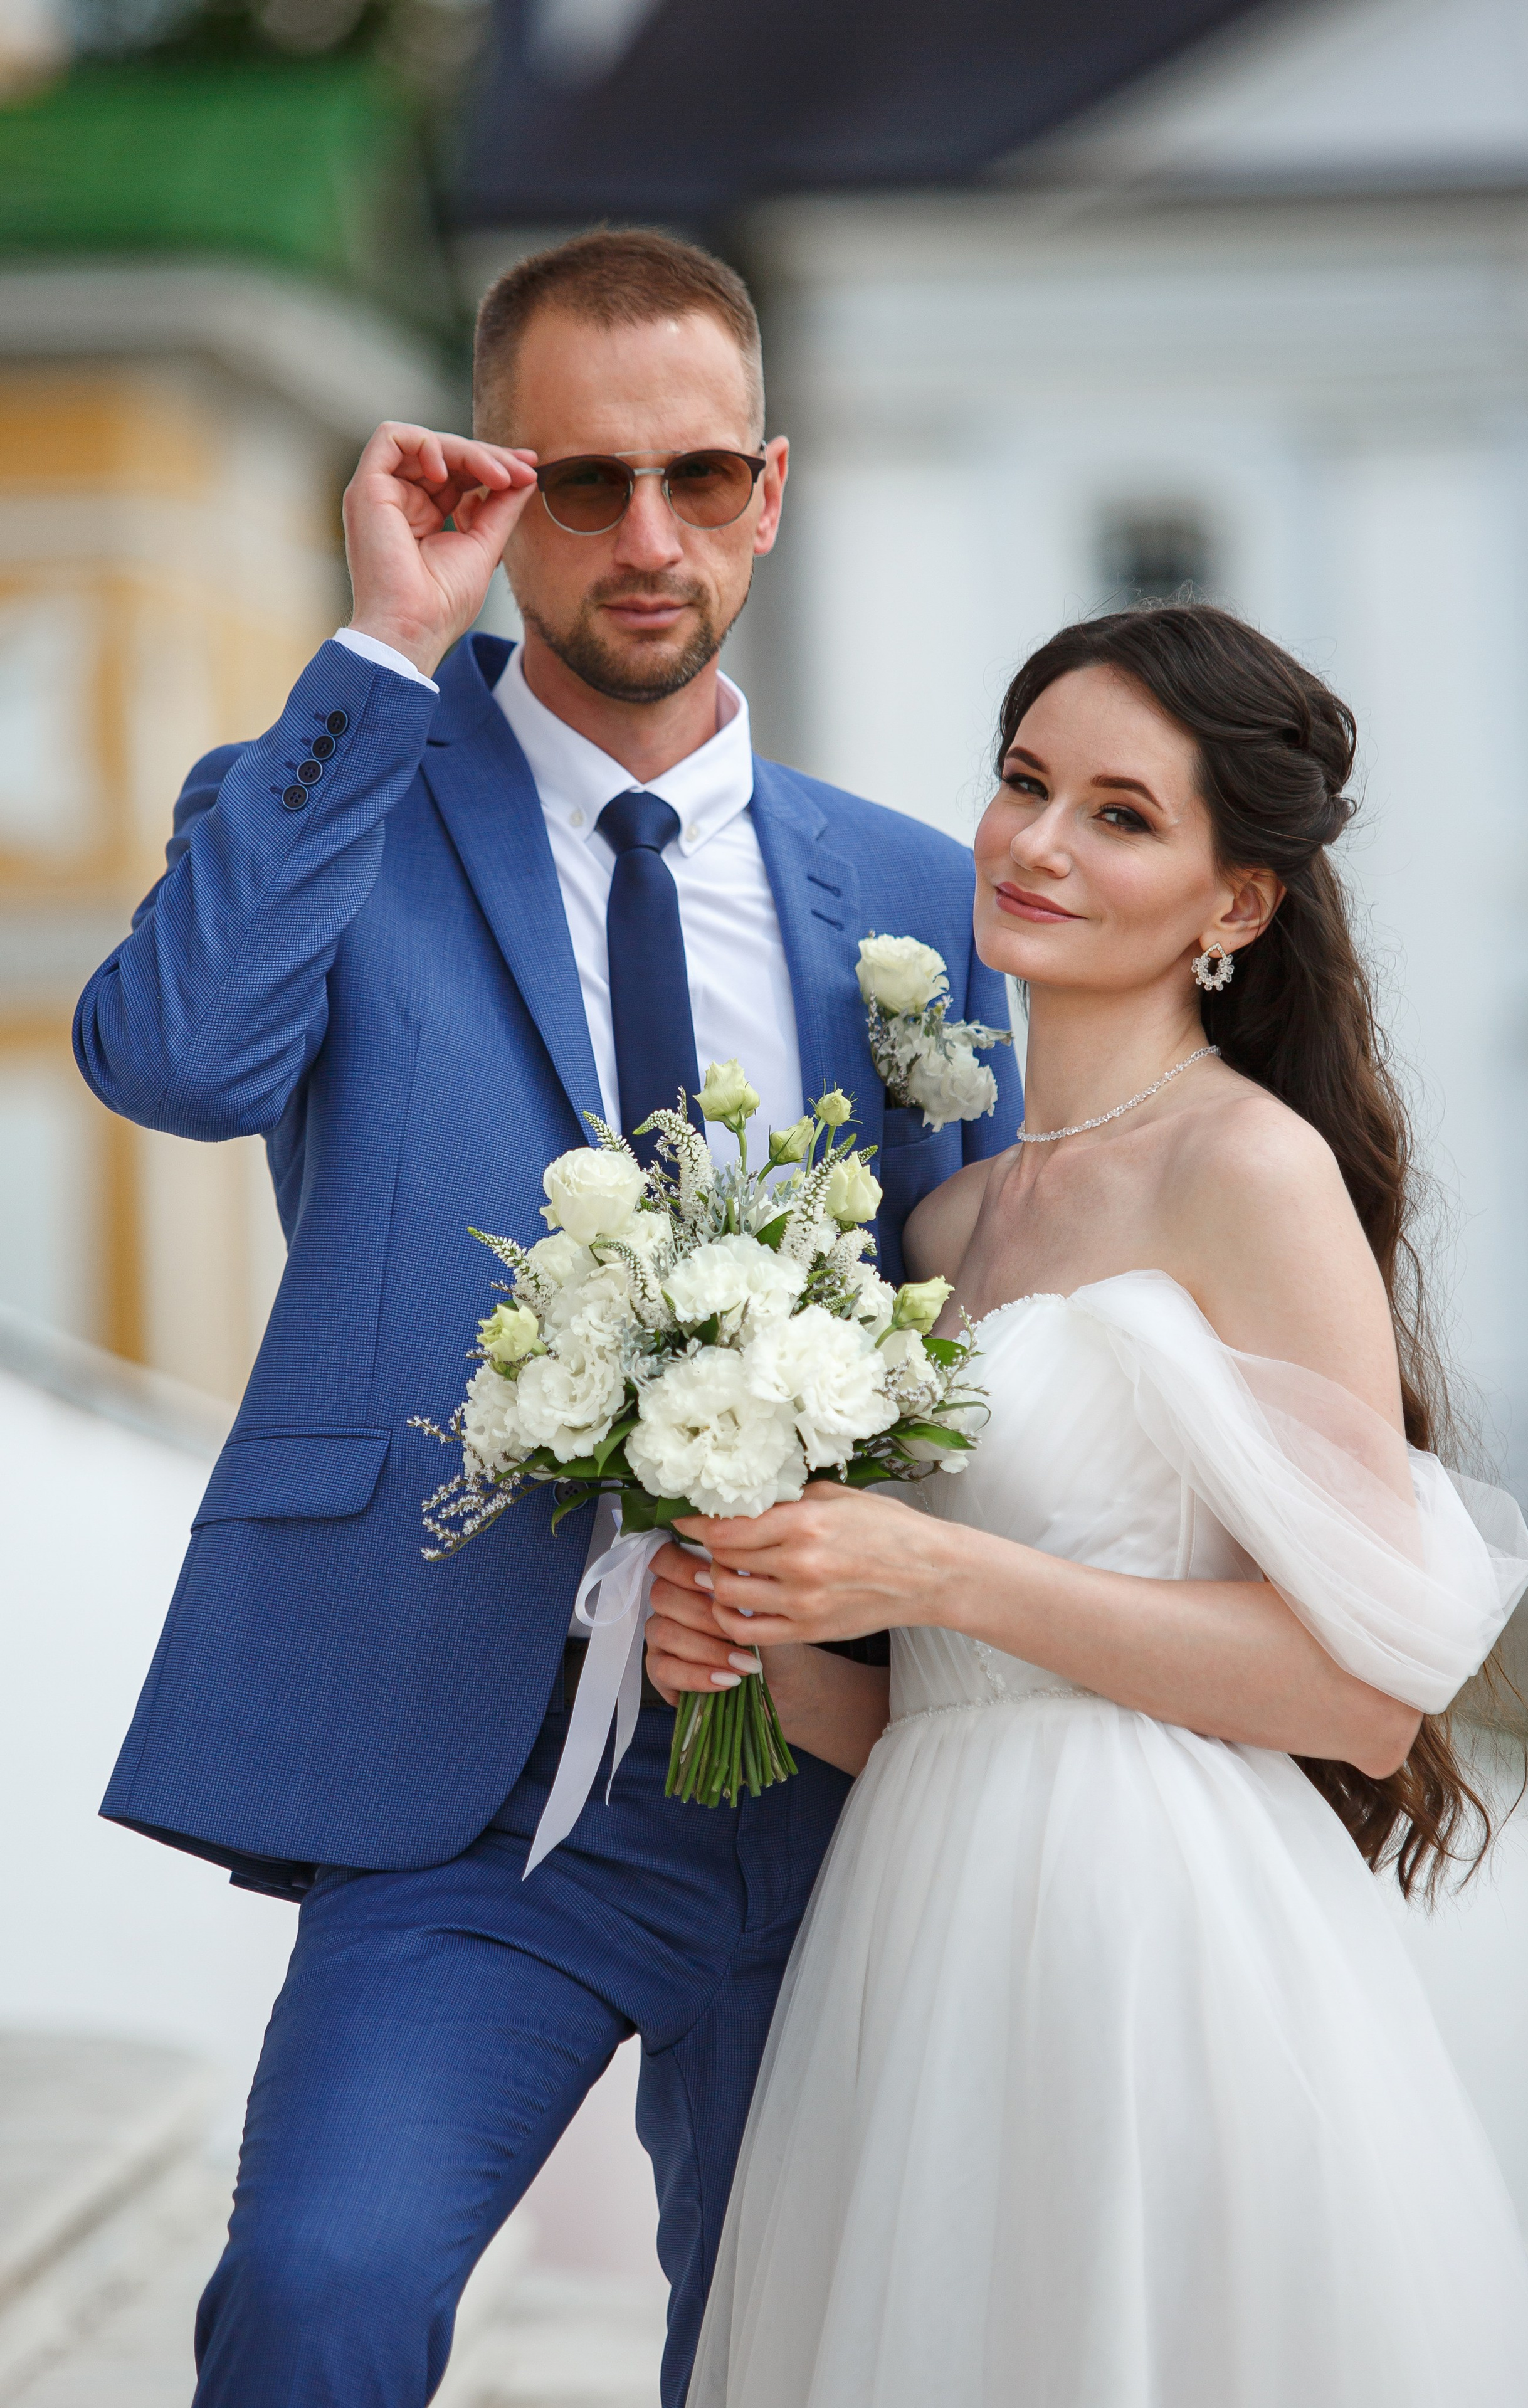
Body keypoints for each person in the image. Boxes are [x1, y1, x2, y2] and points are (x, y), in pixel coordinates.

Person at [71, 228, 1020, 2407]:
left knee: (815, 2355)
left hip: (851, 1770)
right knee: (320, 2297)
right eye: (581, 484)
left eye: (701, 477)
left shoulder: (910, 902)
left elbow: (994, 1316)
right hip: (469, 1783)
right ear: (492, 487)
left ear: (772, 489)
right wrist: (382, 644)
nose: (650, 537)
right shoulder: (332, 799)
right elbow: (179, 1066)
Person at [647, 604, 1528, 2407]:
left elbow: (1363, 1691)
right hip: (915, 1938)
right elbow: (924, 1689)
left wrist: (944, 1567)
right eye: (1022, 783)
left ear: (1237, 905)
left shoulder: (1250, 1167)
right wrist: (749, 1647)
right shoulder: (935, 1231)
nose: (1038, 843)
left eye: (1120, 814)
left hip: (1157, 1940)